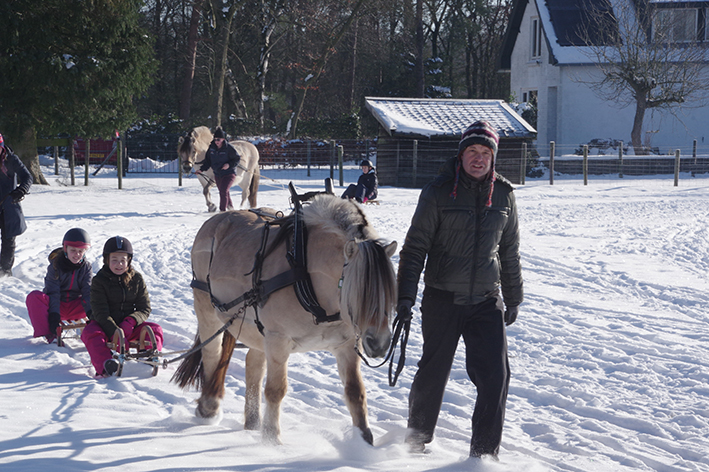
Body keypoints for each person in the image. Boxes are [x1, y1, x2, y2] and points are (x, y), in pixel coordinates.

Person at [396, 121, 523, 459]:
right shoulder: (437, 192)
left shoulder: (505, 195)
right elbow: (414, 248)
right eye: (472, 152)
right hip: (442, 298)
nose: (478, 159)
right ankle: (415, 440)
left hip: (486, 300)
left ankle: (483, 455)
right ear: (461, 154)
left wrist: (513, 297)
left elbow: (509, 251)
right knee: (433, 372)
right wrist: (405, 296)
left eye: (485, 153)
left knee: (496, 376)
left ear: (493, 158)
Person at [81, 236, 164, 377]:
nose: (119, 264)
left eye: (123, 260)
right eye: (114, 260)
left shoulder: (136, 279)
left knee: (155, 329)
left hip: (129, 326)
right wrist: (114, 331)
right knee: (90, 333)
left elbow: (144, 307)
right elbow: (100, 312)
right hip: (105, 326)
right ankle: (106, 365)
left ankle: (148, 358)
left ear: (129, 260)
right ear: (107, 260)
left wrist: (131, 321)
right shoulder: (99, 281)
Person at [26, 228, 93, 343]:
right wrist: (54, 316)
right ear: (65, 248)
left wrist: (93, 314)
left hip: (75, 306)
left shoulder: (86, 267)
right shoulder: (55, 266)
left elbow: (88, 292)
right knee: (34, 297)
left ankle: (98, 331)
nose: (77, 254)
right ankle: (49, 334)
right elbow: (53, 292)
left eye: (80, 251)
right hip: (57, 307)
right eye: (73, 250)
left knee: (102, 294)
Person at [0, 133, 33, 277]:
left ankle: (5, 272)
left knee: (8, 240)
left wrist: (21, 189)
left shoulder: (11, 159)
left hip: (8, 205)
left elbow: (27, 176)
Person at [196, 126, 240, 211]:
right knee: (225, 192)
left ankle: (222, 212)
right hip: (218, 174)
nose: (216, 142)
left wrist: (228, 165)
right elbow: (208, 161)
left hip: (229, 174)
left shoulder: (228, 148)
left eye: (218, 140)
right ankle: (231, 209)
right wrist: (201, 169)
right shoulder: (211, 148)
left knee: (223, 191)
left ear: (223, 139)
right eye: (215, 139)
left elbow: (236, 159)